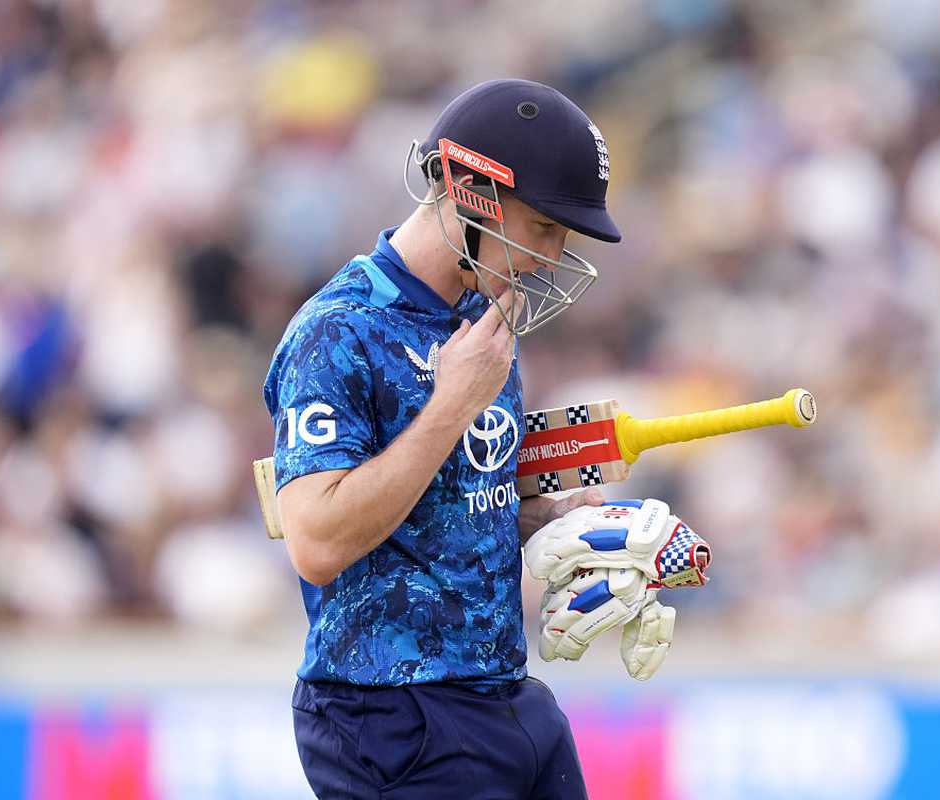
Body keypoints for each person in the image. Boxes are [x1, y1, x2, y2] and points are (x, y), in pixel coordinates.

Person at [263, 79, 700, 800]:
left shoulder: (480, 317)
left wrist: (575, 527)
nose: (550, 256)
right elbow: (317, 542)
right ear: (470, 189)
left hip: (504, 693)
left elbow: (459, 500)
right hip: (390, 716)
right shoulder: (338, 331)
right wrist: (452, 403)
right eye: (543, 228)